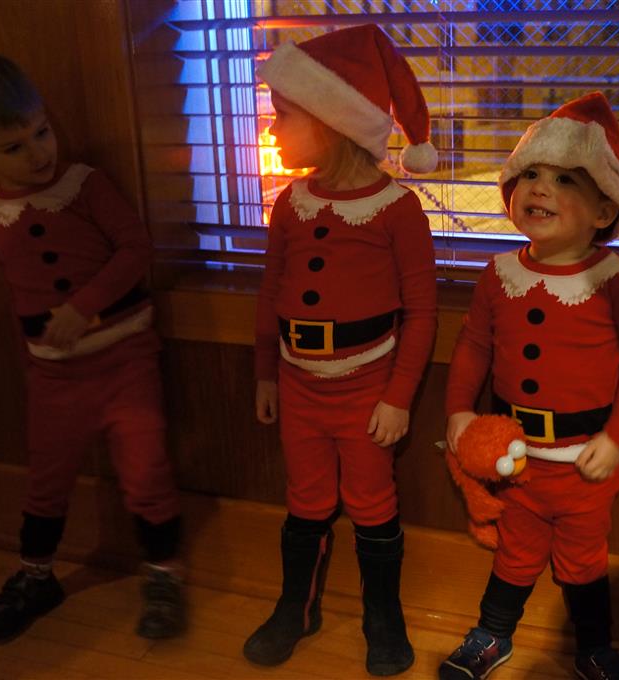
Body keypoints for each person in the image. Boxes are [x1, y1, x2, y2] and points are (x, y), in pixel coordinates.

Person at [0, 52, 185, 644]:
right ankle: (35, 576)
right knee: (46, 481)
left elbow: (135, 249)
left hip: (125, 361)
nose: (38, 152)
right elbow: (18, 295)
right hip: (54, 378)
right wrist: (36, 358)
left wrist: (83, 307)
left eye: (41, 132)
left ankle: (163, 575)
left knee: (146, 470)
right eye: (13, 147)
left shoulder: (84, 186)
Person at [439, 92, 619, 680]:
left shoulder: (617, 280)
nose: (539, 188)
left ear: (603, 211)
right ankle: (493, 634)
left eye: (564, 179)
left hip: (583, 463)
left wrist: (615, 438)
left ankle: (594, 650)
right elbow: (474, 346)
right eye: (530, 174)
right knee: (514, 554)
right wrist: (459, 409)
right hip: (517, 460)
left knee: (584, 563)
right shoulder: (499, 273)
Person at [245, 24, 438, 677]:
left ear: (329, 121)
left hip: (366, 391)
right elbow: (271, 292)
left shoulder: (397, 210)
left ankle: (383, 617)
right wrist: (266, 375)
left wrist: (398, 397)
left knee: (373, 502)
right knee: (305, 500)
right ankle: (295, 609)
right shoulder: (290, 204)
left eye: (283, 115)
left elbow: (421, 313)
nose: (273, 130)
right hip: (299, 387)